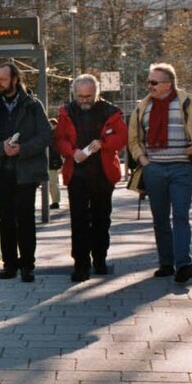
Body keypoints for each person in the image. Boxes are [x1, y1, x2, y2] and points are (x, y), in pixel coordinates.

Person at [127, 63, 192, 284]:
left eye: (154, 82)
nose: (149, 86)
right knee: (160, 219)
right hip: (154, 169)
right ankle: (166, 264)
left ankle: (183, 264)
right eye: (149, 81)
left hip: (181, 169)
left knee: (180, 215)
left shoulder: (189, 101)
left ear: (168, 84)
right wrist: (142, 159)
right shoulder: (143, 107)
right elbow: (133, 139)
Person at [0, 63, 51, 283]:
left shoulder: (32, 105)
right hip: (0, 172)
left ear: (15, 80)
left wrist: (22, 149)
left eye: (2, 79)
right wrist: (0, 148)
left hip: (25, 173)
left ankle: (28, 265)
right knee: (5, 220)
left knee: (25, 219)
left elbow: (45, 135)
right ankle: (9, 265)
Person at [54, 75, 128, 282]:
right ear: (74, 94)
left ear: (96, 94)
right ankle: (80, 264)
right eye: (80, 96)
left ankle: (100, 258)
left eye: (88, 96)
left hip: (102, 173)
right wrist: (71, 151)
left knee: (101, 218)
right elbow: (59, 139)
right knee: (78, 221)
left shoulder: (110, 112)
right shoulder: (67, 111)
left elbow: (122, 136)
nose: (84, 100)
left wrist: (103, 143)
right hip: (77, 172)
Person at [47, 119, 63, 209]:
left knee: (52, 183)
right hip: (53, 161)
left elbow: (54, 150)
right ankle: (55, 201)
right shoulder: (54, 134)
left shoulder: (54, 135)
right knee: (53, 183)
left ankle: (55, 202)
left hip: (53, 162)